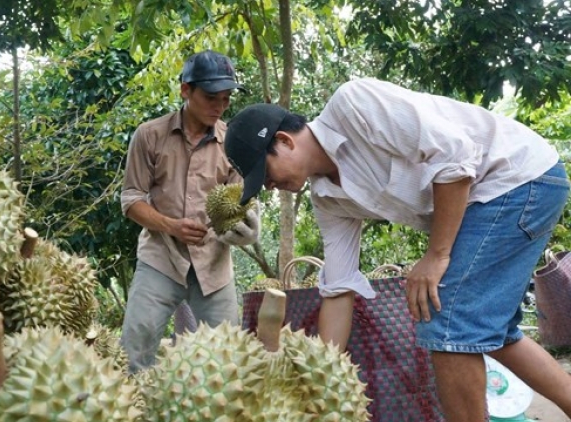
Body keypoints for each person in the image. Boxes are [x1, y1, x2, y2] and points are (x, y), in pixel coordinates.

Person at [223, 78, 571, 421]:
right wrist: (322, 373)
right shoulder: (327, 200)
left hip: (517, 177)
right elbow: (339, 287)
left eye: (264, 174)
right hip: (493, 199)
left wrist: (436, 255)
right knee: (494, 334)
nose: (268, 186)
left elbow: (456, 157)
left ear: (284, 141)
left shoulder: (353, 105)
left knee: (446, 321)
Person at [120, 50, 260, 373]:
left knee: (229, 362)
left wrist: (248, 230)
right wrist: (170, 225)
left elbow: (244, 201)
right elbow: (131, 200)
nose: (220, 107)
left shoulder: (234, 144)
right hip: (160, 259)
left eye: (226, 99)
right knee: (133, 356)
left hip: (213, 267)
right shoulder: (150, 136)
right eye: (212, 97)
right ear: (186, 90)